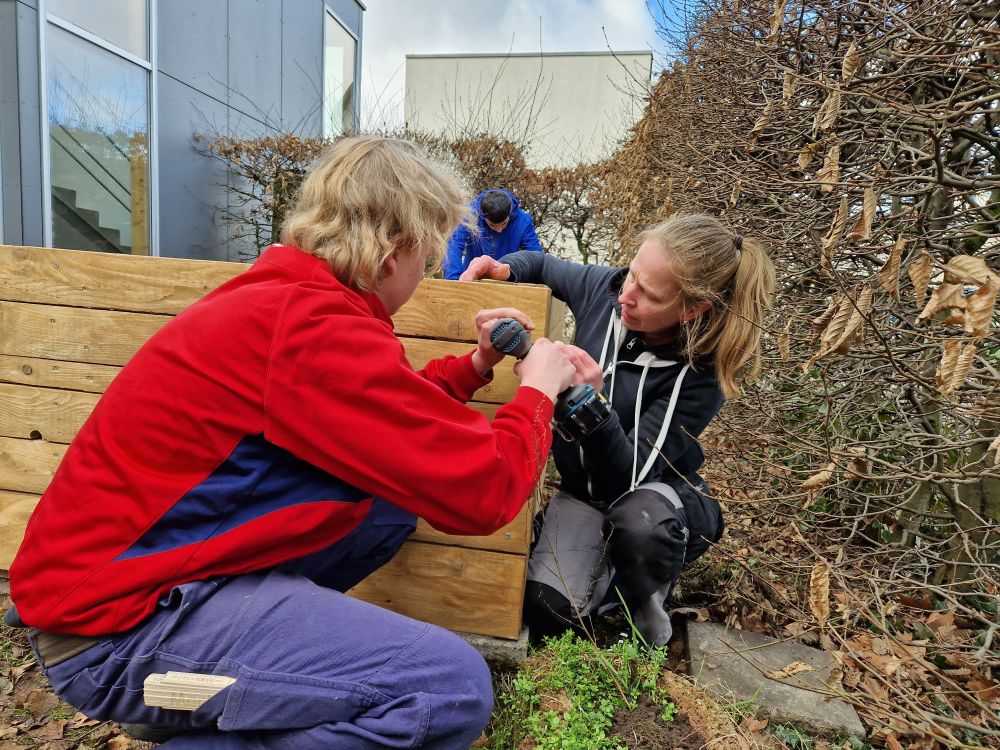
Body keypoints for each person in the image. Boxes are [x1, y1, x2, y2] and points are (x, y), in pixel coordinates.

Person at [6, 136, 581, 749]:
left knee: (382, 510)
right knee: (446, 689)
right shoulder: (308, 327)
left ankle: (203, 695)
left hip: (120, 593)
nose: (427, 272)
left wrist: (472, 367)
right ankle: (177, 696)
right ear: (393, 252)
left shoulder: (288, 304)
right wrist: (538, 395)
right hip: (110, 633)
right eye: (428, 257)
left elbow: (380, 421)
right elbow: (484, 491)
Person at [459, 214, 775, 646]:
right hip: (582, 493)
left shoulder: (701, 373)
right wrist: (506, 267)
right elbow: (544, 265)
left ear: (692, 309)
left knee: (640, 525)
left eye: (648, 293)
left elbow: (629, 478)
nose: (626, 294)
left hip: (652, 498)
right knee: (547, 609)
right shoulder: (608, 288)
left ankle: (647, 617)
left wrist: (588, 405)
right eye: (633, 274)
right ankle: (606, 567)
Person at [442, 188, 542, 279]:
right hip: (472, 278)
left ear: (510, 212)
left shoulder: (523, 221)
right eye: (492, 225)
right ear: (482, 215)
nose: (499, 230)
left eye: (504, 224)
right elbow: (453, 247)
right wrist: (454, 280)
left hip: (506, 280)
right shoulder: (469, 215)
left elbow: (536, 257)